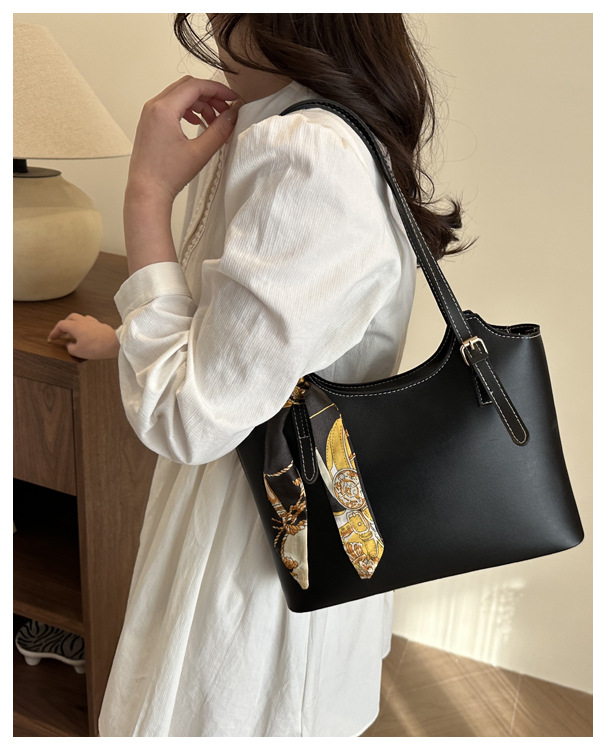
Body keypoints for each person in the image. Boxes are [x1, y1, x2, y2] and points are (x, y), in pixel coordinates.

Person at [48, 13, 467, 737]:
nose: (214, 22)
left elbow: (188, 419)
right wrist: (125, 339)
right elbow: (269, 341)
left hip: (256, 536)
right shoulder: (338, 128)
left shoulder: (307, 153)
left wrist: (146, 195)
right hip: (321, 509)